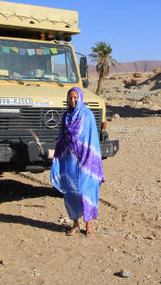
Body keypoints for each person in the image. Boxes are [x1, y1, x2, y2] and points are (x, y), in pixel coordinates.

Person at [50, 87, 104, 236]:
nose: (72, 100)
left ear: (80, 98)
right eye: (70, 98)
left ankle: (89, 225)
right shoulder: (66, 116)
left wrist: (88, 159)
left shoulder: (87, 115)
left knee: (86, 190)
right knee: (71, 191)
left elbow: (91, 139)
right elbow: (61, 137)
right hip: (69, 160)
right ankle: (75, 224)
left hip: (86, 161)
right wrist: (59, 157)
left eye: (75, 97)